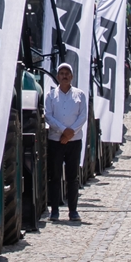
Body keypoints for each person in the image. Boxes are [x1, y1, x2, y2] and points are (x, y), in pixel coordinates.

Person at [45, 62, 89, 221]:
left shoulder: (80, 95)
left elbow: (83, 116)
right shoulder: (51, 95)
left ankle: (73, 210)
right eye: (62, 74)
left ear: (72, 76)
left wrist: (71, 133)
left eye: (67, 73)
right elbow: (48, 116)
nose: (64, 76)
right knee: (55, 176)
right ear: (57, 77)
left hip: (74, 141)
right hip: (56, 140)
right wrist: (63, 130)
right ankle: (54, 210)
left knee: (72, 177)